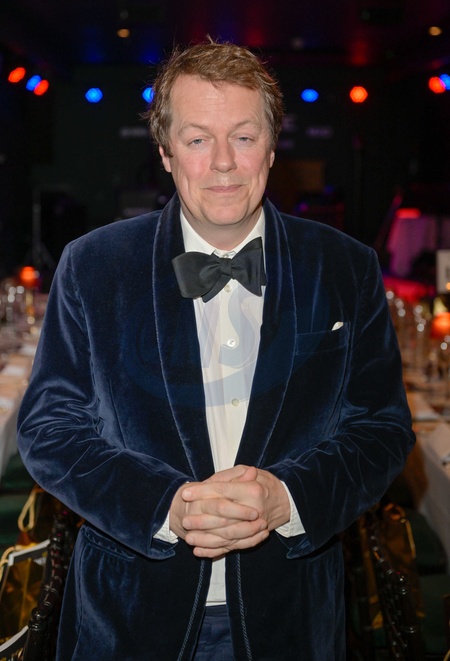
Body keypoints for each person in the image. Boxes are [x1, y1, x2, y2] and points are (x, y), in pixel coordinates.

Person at [17, 39, 415, 660]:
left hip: (291, 617)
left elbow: (381, 430)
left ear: (272, 147)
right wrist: (165, 506)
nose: (224, 162)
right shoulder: (94, 266)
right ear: (166, 152)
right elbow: (50, 430)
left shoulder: (346, 268)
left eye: (244, 137)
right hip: (128, 619)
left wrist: (288, 498)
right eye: (199, 139)